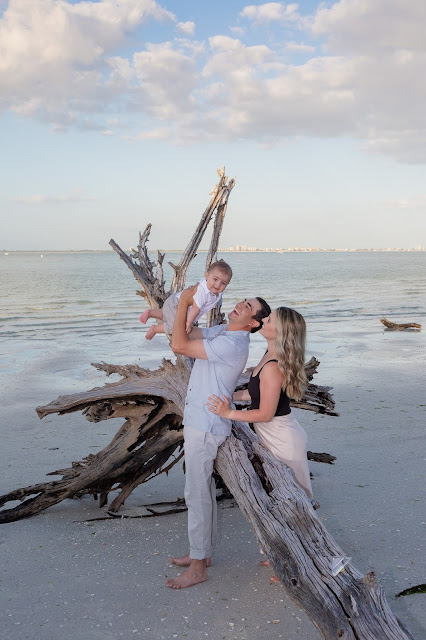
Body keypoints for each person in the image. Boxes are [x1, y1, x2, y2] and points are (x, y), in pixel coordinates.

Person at [165, 285, 271, 589]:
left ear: (252, 323)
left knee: (196, 493)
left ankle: (198, 567)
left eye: (247, 307)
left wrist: (186, 300)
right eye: (243, 300)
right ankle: (203, 553)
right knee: (203, 490)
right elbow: (193, 335)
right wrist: (186, 312)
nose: (239, 304)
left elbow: (180, 347)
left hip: (206, 424)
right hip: (202, 419)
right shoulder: (226, 331)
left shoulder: (233, 345)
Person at [206, 306, 313, 501]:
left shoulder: (273, 367)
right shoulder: (269, 355)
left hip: (283, 439)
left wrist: (228, 413)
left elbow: (265, 414)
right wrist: (229, 396)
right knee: (285, 494)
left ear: (281, 332)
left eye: (269, 321)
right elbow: (256, 394)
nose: (263, 321)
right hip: (275, 433)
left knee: (298, 498)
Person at [139, 260, 233, 340]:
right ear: (206, 276)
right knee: (175, 327)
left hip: (174, 301)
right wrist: (188, 323)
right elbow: (195, 309)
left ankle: (150, 313)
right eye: (215, 279)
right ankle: (154, 329)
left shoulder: (214, 290)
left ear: (227, 284)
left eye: (223, 283)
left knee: (166, 314)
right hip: (177, 304)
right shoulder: (203, 293)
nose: (218, 285)